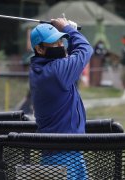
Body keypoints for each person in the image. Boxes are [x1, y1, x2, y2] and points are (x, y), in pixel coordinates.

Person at [29, 18, 93, 179]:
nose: (60, 45)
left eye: (60, 40)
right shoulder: (56, 73)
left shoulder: (42, 69)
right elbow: (85, 50)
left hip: (66, 150)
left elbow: (70, 58)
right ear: (40, 49)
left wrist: (69, 33)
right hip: (61, 155)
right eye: (54, 42)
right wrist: (70, 31)